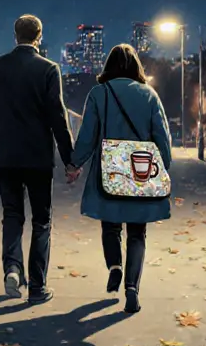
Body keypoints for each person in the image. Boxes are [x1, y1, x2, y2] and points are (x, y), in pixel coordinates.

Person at [0, 14, 78, 304]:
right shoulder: (48, 69)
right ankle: (38, 287)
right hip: (38, 159)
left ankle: (12, 268)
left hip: (5, 158)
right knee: (42, 221)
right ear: (39, 36)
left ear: (15, 36)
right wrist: (70, 160)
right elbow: (58, 116)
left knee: (12, 215)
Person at [67, 43, 172, 314]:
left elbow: (88, 134)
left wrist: (75, 163)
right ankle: (132, 289)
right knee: (137, 233)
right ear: (136, 66)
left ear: (109, 67)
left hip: (109, 171)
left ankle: (114, 266)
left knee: (111, 226)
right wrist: (163, 168)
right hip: (140, 172)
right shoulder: (149, 95)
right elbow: (162, 137)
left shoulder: (99, 94)